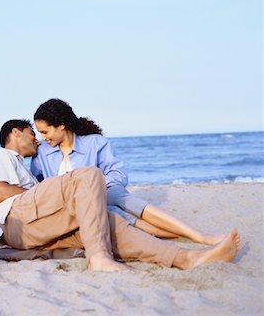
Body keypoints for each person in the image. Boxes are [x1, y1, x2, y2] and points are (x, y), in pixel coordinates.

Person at [0, 119, 240, 272]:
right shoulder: (1, 155)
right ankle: (99, 258)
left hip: (36, 228)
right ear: (15, 132)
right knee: (89, 175)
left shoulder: (26, 168)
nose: (38, 139)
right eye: (33, 133)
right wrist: (44, 193)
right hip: (14, 222)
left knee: (107, 222)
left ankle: (185, 258)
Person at [31, 98, 225, 245]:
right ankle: (181, 235)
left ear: (61, 125)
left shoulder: (95, 142)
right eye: (40, 132)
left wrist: (96, 188)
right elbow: (37, 184)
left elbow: (118, 173)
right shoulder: (42, 153)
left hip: (105, 191)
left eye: (45, 132)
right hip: (76, 207)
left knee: (125, 200)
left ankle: (197, 235)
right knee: (116, 214)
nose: (42, 137)